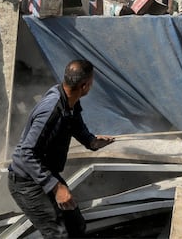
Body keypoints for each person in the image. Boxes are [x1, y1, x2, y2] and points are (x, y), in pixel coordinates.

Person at [8, 59, 114, 238]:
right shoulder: (51, 110)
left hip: (45, 173)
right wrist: (56, 187)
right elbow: (27, 153)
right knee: (58, 234)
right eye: (92, 81)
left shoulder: (69, 102)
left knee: (76, 225)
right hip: (26, 182)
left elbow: (76, 125)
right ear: (85, 86)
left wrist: (92, 142)